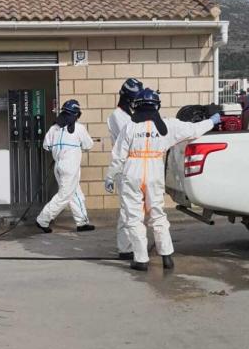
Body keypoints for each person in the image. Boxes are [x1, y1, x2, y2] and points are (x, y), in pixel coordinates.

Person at [105, 89, 220, 271]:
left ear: (136, 106)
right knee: (157, 214)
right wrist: (212, 121)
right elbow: (193, 129)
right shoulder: (168, 125)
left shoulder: (129, 126)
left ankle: (141, 259)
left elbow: (118, 156)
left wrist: (110, 176)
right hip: (154, 170)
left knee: (134, 217)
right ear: (156, 105)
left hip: (132, 170)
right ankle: (166, 256)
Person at [35, 99, 95, 233]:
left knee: (75, 193)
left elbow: (46, 146)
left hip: (58, 166)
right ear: (76, 114)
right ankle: (43, 219)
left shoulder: (53, 128)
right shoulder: (79, 128)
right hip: (70, 167)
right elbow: (89, 145)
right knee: (64, 196)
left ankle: (82, 222)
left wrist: (60, 149)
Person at [106, 78, 142, 259]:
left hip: (136, 167)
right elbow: (131, 138)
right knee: (127, 210)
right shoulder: (117, 116)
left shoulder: (129, 114)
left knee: (136, 209)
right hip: (124, 168)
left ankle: (134, 243)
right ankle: (125, 248)